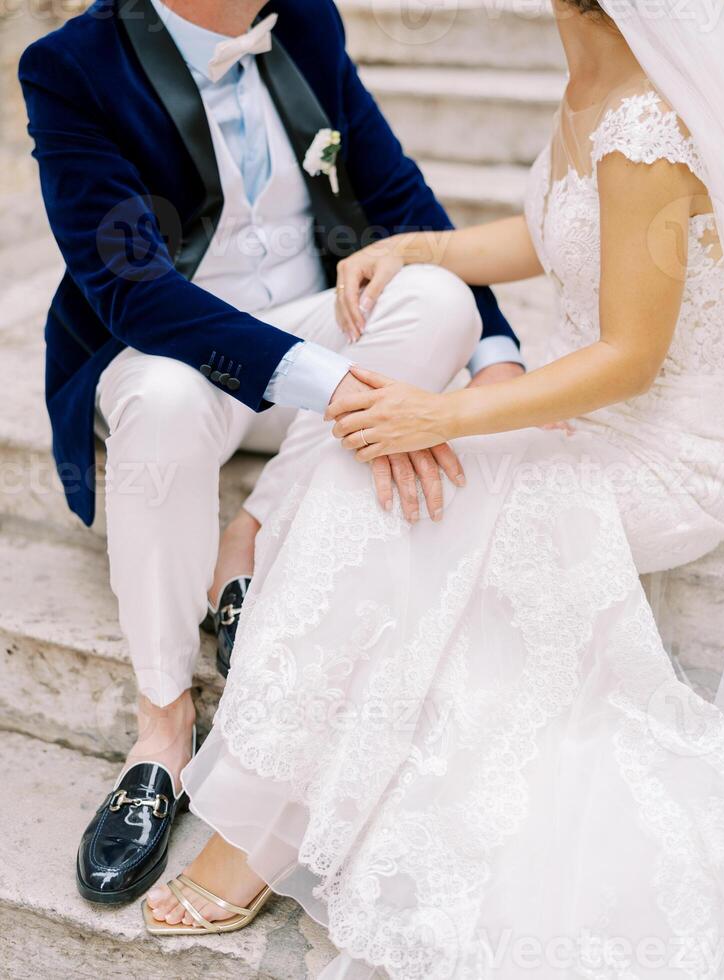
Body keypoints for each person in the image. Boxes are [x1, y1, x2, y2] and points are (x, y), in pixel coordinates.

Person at [147, 0, 724, 977]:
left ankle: (259, 834)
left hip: (667, 456)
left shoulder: (648, 125)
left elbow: (630, 356)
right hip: (588, 420)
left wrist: (446, 413)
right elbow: (558, 233)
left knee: (391, 486)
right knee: (370, 473)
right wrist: (421, 249)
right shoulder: (593, 73)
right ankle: (269, 802)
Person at [18, 0, 524, 904]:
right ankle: (163, 725)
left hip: (306, 327)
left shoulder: (306, 22)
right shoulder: (71, 64)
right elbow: (132, 290)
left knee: (438, 299)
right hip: (168, 351)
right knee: (167, 403)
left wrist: (495, 356)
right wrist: (325, 384)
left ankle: (248, 535)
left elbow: (395, 193)